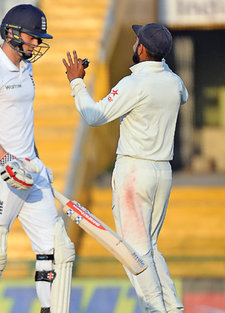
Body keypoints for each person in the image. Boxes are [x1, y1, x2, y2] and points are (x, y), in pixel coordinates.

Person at [62, 22, 187, 312]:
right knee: (150, 248)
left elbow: (94, 115)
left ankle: (156, 309)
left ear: (142, 49)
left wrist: (77, 82)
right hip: (162, 172)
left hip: (134, 174)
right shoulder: (174, 82)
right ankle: (173, 307)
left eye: (136, 42)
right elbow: (184, 96)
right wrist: (160, 63)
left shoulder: (134, 84)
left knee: (134, 251)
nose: (133, 45)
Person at [0, 4, 75, 313]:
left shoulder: (27, 67)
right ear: (11, 33)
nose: (37, 43)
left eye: (40, 38)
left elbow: (23, 121)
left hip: (30, 171)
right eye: (33, 37)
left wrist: (36, 162)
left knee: (58, 249)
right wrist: (7, 160)